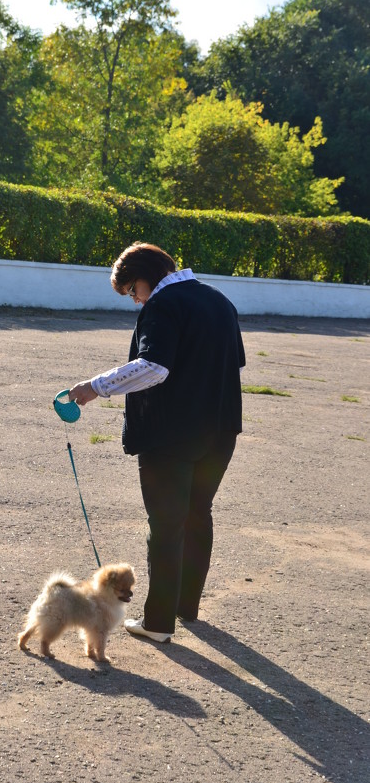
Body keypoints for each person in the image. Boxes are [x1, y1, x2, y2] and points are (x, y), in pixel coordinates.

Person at [69, 242, 245, 644]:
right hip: (220, 431)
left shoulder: (163, 304)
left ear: (149, 275)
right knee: (199, 514)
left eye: (133, 290)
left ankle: (159, 623)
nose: (135, 300)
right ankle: (186, 606)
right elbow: (230, 363)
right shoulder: (218, 300)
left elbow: (154, 367)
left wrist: (95, 387)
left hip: (172, 435)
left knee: (165, 526)